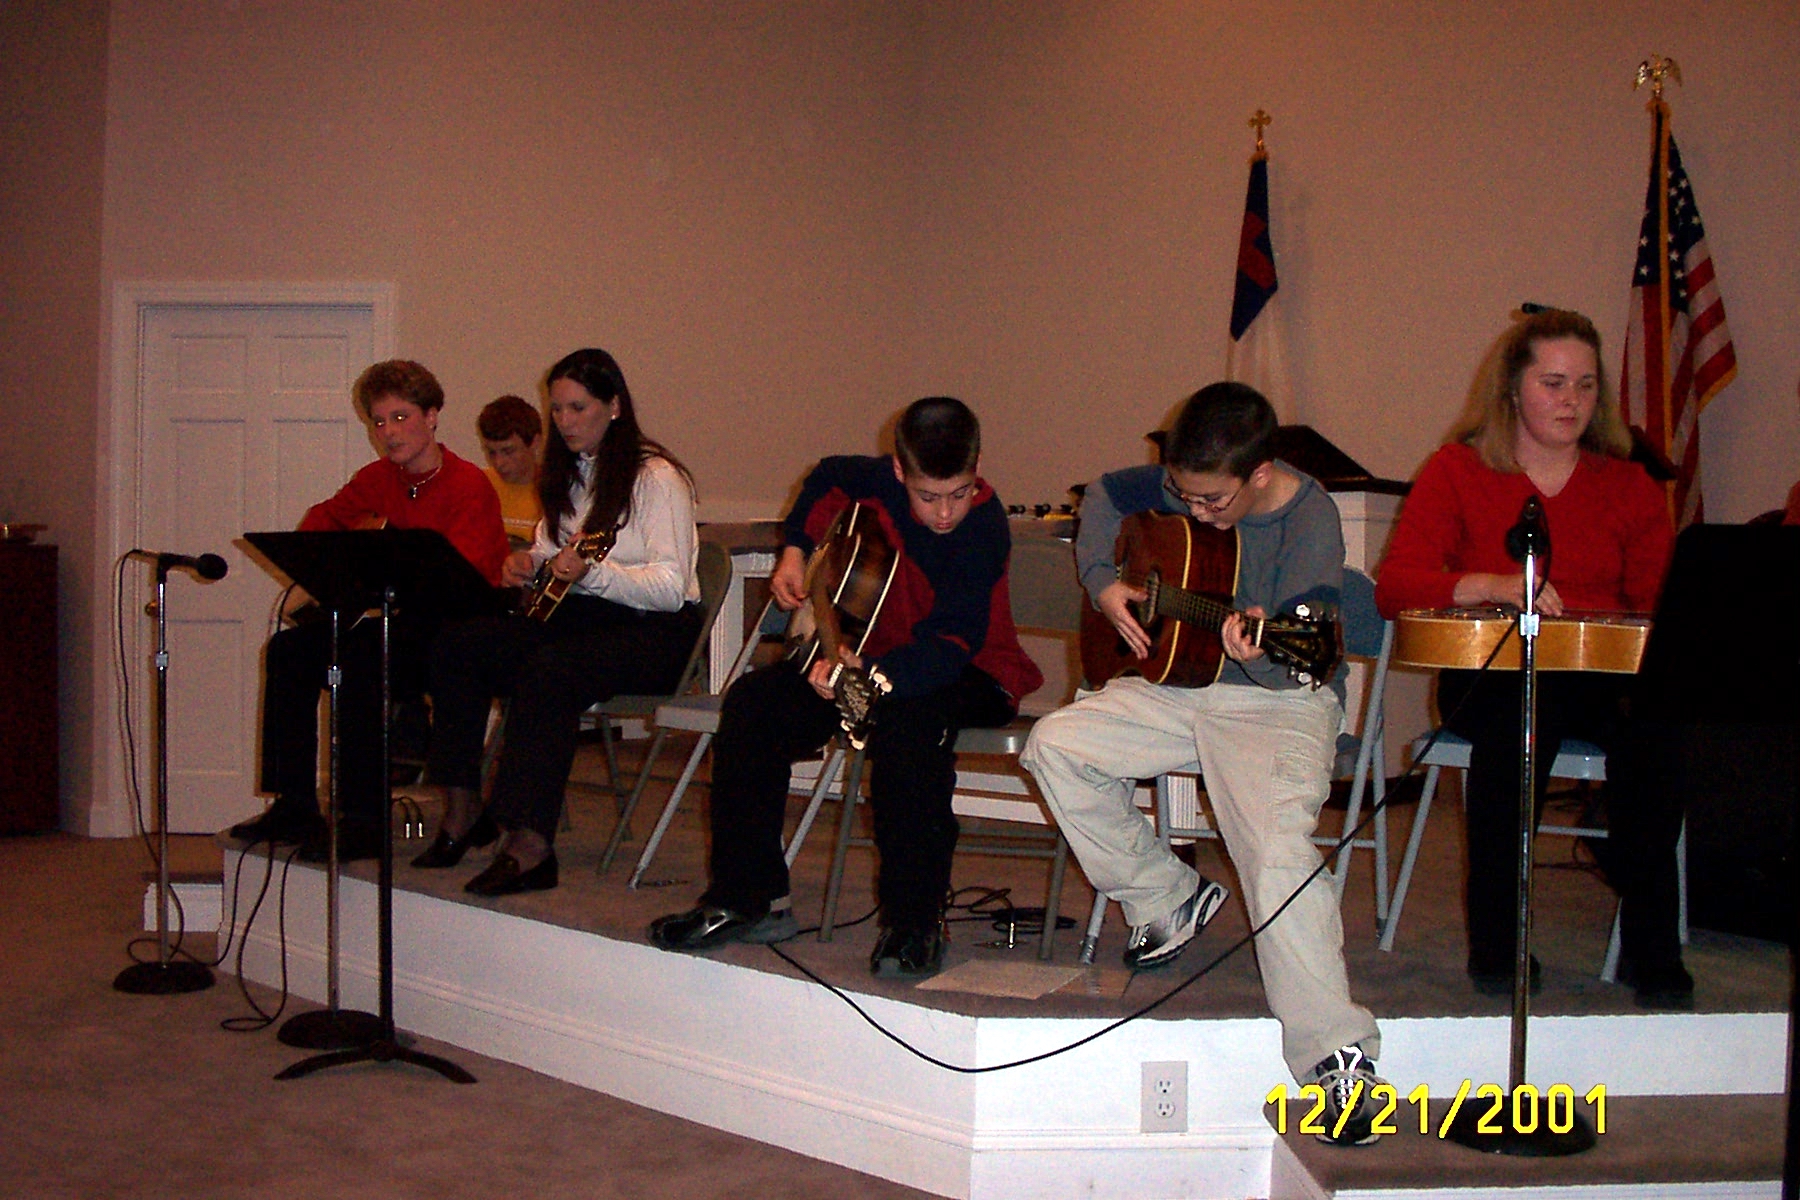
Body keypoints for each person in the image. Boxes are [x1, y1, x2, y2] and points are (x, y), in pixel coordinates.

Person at [1020, 381, 1387, 1147]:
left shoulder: (1310, 520)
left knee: (1277, 850)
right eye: (1183, 494)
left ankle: (1337, 1056)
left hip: (1278, 699)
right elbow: (1105, 498)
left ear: (1260, 473)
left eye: (1212, 501)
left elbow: (1304, 657)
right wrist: (1104, 583)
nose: (1193, 511)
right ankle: (1166, 896)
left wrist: (1260, 649)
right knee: (1055, 745)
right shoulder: (1190, 485)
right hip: (1183, 685)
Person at [647, 397, 1043, 978]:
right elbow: (828, 478)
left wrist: (867, 677)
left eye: (959, 493)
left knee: (908, 726)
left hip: (970, 671)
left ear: (977, 469)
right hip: (867, 658)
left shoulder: (982, 528)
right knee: (755, 705)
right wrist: (795, 550)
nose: (943, 513)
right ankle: (748, 898)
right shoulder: (878, 481)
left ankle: (914, 921)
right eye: (927, 496)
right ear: (899, 471)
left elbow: (951, 642)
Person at [1375, 306, 1690, 1009]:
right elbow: (1395, 586)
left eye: (1585, 385)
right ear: (1512, 389)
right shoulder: (1458, 469)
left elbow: (1658, 604)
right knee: (1519, 728)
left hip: (1600, 672)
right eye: (1553, 383)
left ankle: (1653, 949)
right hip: (1491, 669)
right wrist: (1492, 585)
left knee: (1657, 736)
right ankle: (1500, 944)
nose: (1572, 401)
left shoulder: (1628, 484)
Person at [416, 348, 702, 896]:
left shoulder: (657, 477)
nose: (565, 422)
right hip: (587, 617)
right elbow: (551, 551)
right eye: (557, 410)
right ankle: (463, 807)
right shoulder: (568, 474)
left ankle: (530, 845)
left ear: (614, 407)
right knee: (459, 645)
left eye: (578, 408)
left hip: (658, 632)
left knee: (550, 668)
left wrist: (593, 574)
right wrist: (528, 564)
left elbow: (670, 589)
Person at [230, 360, 510, 861]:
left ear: (432, 416)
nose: (389, 432)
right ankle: (294, 805)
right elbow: (320, 522)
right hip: (401, 624)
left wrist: (387, 574)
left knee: (362, 659)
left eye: (401, 417)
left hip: (456, 636)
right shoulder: (379, 478)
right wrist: (346, 562)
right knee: (289, 650)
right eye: (379, 422)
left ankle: (363, 820)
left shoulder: (468, 485)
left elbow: (460, 584)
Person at [477, 394, 545, 550]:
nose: (499, 463)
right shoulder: (479, 484)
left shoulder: (556, 490)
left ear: (535, 443)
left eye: (508, 451)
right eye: (491, 452)